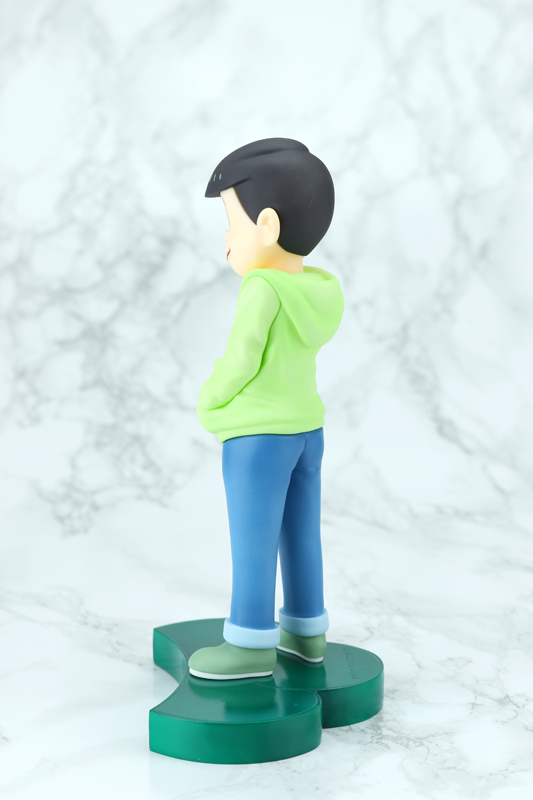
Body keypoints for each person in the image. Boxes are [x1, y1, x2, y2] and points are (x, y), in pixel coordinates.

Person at [188, 138, 344, 680]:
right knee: (301, 535)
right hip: (307, 430)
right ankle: (306, 632)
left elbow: (242, 359)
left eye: (232, 224)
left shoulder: (263, 288)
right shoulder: (318, 289)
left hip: (258, 437)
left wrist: (211, 399)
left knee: (253, 541)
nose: (227, 240)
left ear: (268, 226)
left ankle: (250, 644)